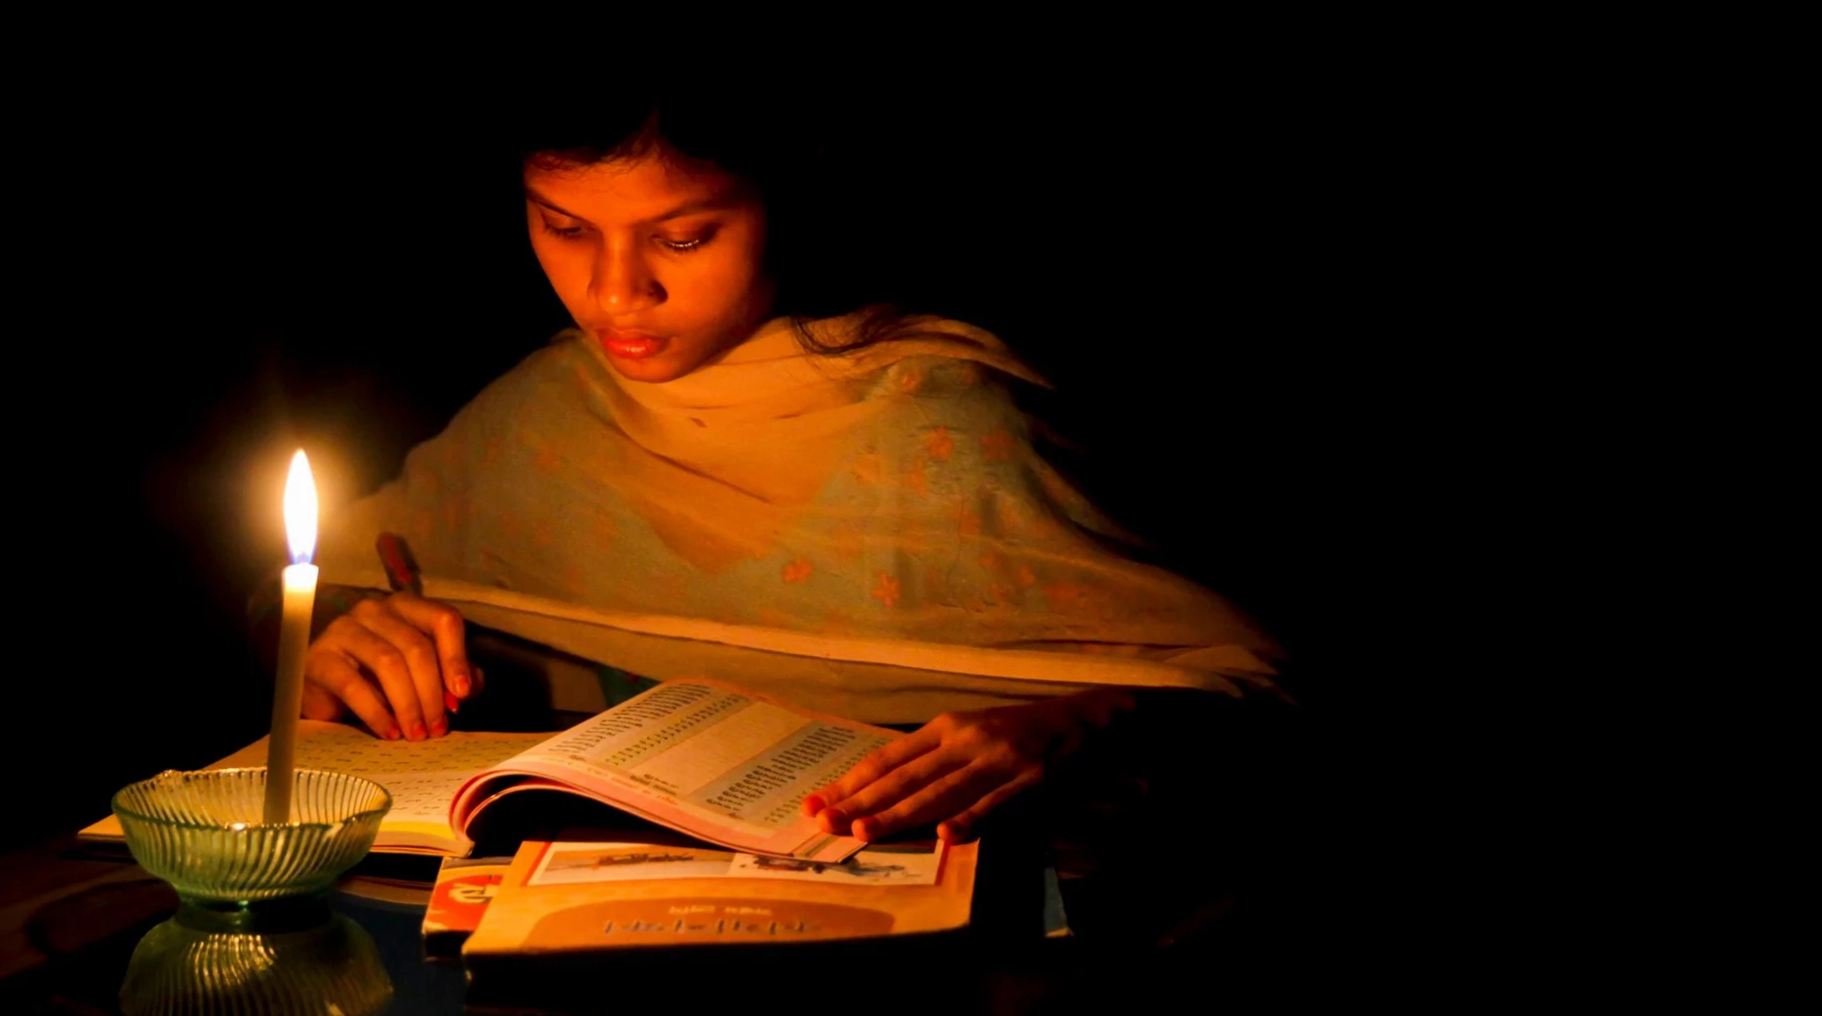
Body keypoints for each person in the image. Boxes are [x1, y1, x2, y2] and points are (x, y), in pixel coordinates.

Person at [297, 62, 1283, 845]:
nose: (610, 294)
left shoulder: (941, 428)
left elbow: (1257, 684)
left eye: (680, 238)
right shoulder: (540, 413)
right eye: (561, 226)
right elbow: (326, 594)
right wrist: (347, 645)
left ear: (789, 196)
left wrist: (1081, 721)